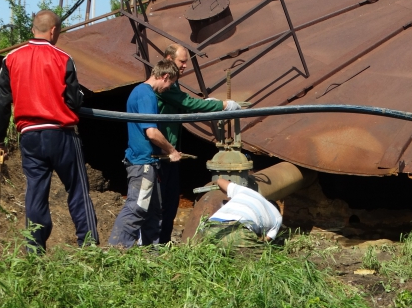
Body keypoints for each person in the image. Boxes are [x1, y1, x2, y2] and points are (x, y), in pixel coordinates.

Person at [0, 10, 98, 252]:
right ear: (53, 31)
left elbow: (2, 103)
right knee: (77, 189)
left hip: (30, 136)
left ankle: (34, 250)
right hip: (62, 134)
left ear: (32, 30)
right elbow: (73, 100)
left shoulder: (10, 59)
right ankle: (88, 244)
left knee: (36, 193)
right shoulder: (63, 58)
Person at [156, 44, 241, 243]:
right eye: (181, 61)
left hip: (171, 149)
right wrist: (221, 105)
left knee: (170, 199)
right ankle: (154, 243)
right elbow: (187, 103)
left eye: (186, 61)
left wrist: (207, 104)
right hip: (162, 151)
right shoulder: (164, 82)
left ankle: (163, 241)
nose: (185, 65)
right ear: (168, 59)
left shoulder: (173, 83)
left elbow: (183, 106)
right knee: (160, 200)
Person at [108, 60, 183, 247]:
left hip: (150, 163)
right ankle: (117, 250)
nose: (168, 88)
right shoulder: (146, 95)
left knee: (154, 211)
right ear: (165, 76)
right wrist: (171, 150)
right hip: (143, 164)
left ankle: (152, 255)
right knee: (137, 207)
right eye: (170, 83)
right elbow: (151, 132)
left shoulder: (141, 93)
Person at [197, 178, 282, 248]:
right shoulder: (278, 217)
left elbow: (220, 181)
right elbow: (265, 240)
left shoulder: (246, 191)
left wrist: (229, 195)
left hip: (209, 227)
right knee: (261, 263)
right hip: (238, 231)